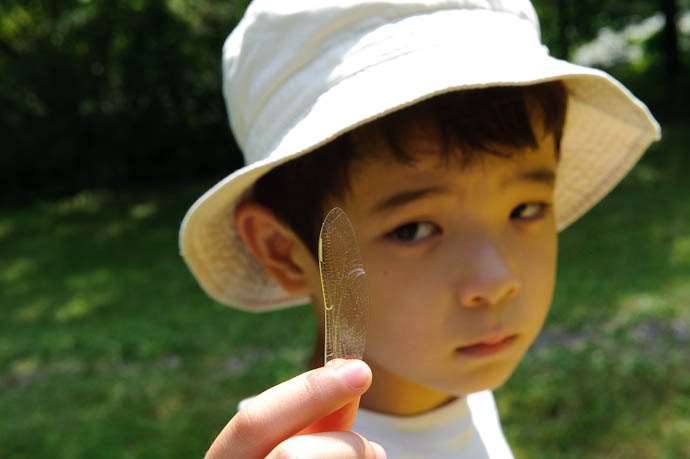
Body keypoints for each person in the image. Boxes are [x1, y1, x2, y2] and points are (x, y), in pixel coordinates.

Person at [179, 0, 660, 457]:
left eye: (526, 209)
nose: (495, 281)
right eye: (414, 229)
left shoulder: (458, 395)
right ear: (283, 251)